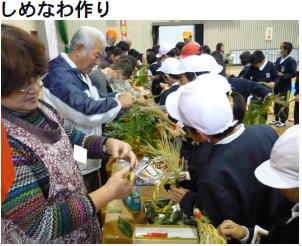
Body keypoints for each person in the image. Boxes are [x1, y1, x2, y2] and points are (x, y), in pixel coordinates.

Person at [1, 24, 137, 244]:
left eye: (36, 79)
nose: (35, 89)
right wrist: (108, 193)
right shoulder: (5, 142)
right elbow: (40, 225)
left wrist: (107, 144)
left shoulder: (42, 110)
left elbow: (76, 139)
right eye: (22, 85)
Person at [166, 74, 285, 232]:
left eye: (186, 129)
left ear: (200, 133)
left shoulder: (212, 172)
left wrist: (189, 201)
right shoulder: (266, 131)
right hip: (280, 225)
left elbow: (220, 222)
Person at [42, 26, 134, 192]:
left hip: (87, 149)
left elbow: (97, 97)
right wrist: (119, 103)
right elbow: (87, 111)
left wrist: (116, 97)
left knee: (93, 188)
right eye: (96, 56)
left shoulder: (78, 72)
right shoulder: (59, 75)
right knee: (85, 195)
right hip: (75, 154)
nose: (98, 62)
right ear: (79, 49)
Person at [218, 125, 299, 244]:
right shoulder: (290, 204)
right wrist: (245, 233)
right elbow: (275, 238)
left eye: (283, 184)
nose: (278, 189)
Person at [269, 42, 297, 127]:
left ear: (286, 50)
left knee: (283, 104)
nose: (279, 50)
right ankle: (276, 119)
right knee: (276, 102)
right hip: (277, 86)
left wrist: (283, 75)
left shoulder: (291, 61)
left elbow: (294, 73)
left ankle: (283, 120)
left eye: (281, 48)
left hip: (285, 87)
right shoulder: (278, 59)